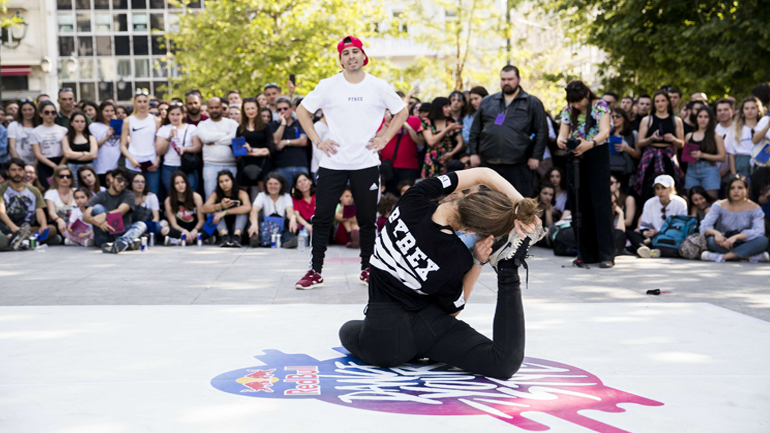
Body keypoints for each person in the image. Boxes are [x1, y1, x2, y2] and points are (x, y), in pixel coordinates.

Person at [338, 167, 540, 379]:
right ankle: (508, 270)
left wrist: (520, 203)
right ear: (471, 230)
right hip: (426, 328)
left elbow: (484, 173)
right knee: (503, 362)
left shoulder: (415, 196)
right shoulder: (457, 256)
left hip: (384, 338)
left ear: (470, 194)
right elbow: (452, 311)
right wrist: (477, 261)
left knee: (346, 330)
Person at [294, 35, 408, 290]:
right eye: (346, 53)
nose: (351, 56)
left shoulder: (377, 86)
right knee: (322, 217)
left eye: (355, 51)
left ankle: (368, 268)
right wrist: (316, 139)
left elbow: (402, 111)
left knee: (367, 219)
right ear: (341, 59)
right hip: (333, 162)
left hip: (366, 162)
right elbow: (302, 110)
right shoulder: (328, 85)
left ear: (363, 56)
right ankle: (315, 271)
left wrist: (385, 138)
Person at [556, 80, 615, 268]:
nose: (576, 105)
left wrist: (589, 144)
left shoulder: (600, 107)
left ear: (587, 95)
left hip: (596, 155)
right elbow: (561, 135)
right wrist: (562, 141)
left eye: (579, 101)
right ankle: (585, 253)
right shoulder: (568, 110)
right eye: (572, 102)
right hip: (575, 158)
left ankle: (606, 254)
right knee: (579, 206)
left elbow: (605, 132)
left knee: (600, 205)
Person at [468, 65, 547, 198]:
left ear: (519, 79)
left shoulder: (532, 102)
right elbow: (475, 130)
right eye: (503, 79)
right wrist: (474, 153)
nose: (506, 82)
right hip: (489, 162)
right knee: (489, 203)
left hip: (519, 163)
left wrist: (536, 156)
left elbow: (541, 131)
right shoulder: (488, 101)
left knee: (518, 202)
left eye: (510, 79)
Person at [700, 175, 769, 263]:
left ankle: (722, 257)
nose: (736, 191)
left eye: (740, 188)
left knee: (763, 241)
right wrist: (716, 233)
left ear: (747, 189)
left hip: (745, 241)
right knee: (711, 241)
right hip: (724, 241)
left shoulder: (755, 208)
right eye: (732, 188)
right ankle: (748, 257)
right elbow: (704, 226)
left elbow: (759, 231)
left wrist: (737, 237)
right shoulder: (719, 205)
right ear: (728, 190)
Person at [633, 89, 685, 204]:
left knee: (670, 190)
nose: (660, 104)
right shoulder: (647, 120)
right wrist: (651, 138)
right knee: (649, 190)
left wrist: (672, 139)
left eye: (663, 101)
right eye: (657, 101)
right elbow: (640, 142)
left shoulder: (676, 120)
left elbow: (681, 143)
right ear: (654, 104)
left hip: (668, 157)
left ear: (667, 102)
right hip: (651, 157)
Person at [83, 167, 146, 253]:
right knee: (98, 208)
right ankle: (128, 242)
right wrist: (97, 221)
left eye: (126, 182)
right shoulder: (101, 195)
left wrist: (104, 215)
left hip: (122, 231)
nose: (122, 184)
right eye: (120, 180)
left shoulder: (129, 194)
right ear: (111, 178)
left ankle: (121, 242)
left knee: (141, 225)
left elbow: (121, 211)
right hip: (104, 234)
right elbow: (85, 216)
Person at [626, 175, 688, 258]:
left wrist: (658, 233)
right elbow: (644, 227)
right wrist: (647, 233)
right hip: (652, 238)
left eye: (663, 188)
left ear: (671, 189)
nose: (660, 191)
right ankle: (644, 248)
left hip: (671, 238)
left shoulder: (680, 203)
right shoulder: (649, 203)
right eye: (657, 188)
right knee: (630, 233)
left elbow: (680, 228)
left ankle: (643, 247)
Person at [195, 97, 239, 200]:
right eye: (211, 107)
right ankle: (212, 216)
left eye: (217, 107)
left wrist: (214, 141)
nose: (214, 110)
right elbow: (205, 138)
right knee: (211, 196)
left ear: (221, 108)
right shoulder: (203, 124)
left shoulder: (232, 123)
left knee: (233, 196)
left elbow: (234, 138)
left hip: (231, 165)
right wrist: (225, 135)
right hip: (210, 165)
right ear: (208, 109)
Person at [0, 158, 47, 251]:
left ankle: (20, 240)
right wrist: (13, 227)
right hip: (7, 226)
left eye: (20, 170)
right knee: (3, 241)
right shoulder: (2, 189)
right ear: (7, 172)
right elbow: (1, 212)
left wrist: (44, 225)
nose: (17, 173)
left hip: (28, 227)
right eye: (13, 170)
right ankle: (20, 239)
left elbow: (39, 210)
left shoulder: (34, 190)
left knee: (51, 229)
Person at [155, 103, 201, 198]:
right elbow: (159, 151)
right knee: (172, 194)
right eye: (172, 114)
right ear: (168, 115)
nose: (175, 117)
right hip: (169, 166)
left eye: (178, 114)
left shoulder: (191, 128)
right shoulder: (163, 129)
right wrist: (169, 137)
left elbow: (197, 147)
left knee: (190, 193)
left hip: (187, 166)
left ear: (183, 115)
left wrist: (185, 149)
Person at [121, 92, 162, 195]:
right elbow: (122, 145)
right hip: (133, 165)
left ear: (148, 103)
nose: (142, 104)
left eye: (145, 101)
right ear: (134, 103)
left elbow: (159, 143)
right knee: (132, 194)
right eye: (139, 101)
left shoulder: (156, 120)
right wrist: (131, 159)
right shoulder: (128, 121)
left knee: (152, 193)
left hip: (151, 163)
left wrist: (157, 160)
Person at [683, 107, 726, 199]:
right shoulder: (689, 136)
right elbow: (685, 156)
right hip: (691, 170)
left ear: (710, 119)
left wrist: (703, 155)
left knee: (711, 200)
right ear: (696, 118)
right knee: (692, 200)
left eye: (706, 117)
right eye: (700, 116)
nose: (703, 119)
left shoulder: (716, 136)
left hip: (709, 170)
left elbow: (722, 157)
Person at [379, 107, 423, 195]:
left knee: (408, 195)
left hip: (409, 166)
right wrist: (387, 124)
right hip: (388, 166)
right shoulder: (384, 120)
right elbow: (377, 138)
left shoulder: (415, 120)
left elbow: (421, 143)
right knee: (389, 195)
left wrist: (409, 128)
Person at [201, 170, 251, 247]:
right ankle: (224, 237)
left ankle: (236, 237)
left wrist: (225, 212)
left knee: (242, 211)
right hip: (222, 225)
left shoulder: (241, 193)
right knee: (215, 211)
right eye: (221, 181)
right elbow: (203, 209)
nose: (224, 184)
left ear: (232, 181)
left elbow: (248, 207)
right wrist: (220, 206)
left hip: (238, 226)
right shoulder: (216, 194)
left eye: (227, 180)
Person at [247, 172, 297, 248]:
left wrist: (293, 219)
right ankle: (255, 239)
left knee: (289, 221)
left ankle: (289, 241)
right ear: (266, 185)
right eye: (270, 184)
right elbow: (254, 209)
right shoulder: (262, 195)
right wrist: (254, 223)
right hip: (265, 228)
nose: (273, 186)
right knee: (255, 216)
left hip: (281, 228)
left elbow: (289, 211)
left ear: (281, 185)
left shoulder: (286, 196)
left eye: (276, 184)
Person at [236, 97, 274, 196]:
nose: (250, 111)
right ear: (244, 111)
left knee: (263, 194)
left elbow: (270, 150)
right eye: (247, 109)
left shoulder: (266, 127)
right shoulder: (240, 128)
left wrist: (250, 150)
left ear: (258, 108)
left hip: (263, 164)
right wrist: (257, 152)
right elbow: (238, 151)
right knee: (242, 194)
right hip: (245, 165)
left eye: (252, 108)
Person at [420, 97, 464, 178]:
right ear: (438, 108)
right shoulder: (427, 121)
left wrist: (451, 153)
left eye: (449, 106)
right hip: (431, 160)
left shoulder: (451, 121)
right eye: (446, 107)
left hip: (448, 159)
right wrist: (447, 129)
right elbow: (431, 141)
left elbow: (460, 142)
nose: (449, 109)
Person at [29, 101, 68, 190]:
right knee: (49, 189)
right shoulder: (35, 132)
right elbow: (37, 154)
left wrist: (60, 165)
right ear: (40, 114)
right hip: (45, 164)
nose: (50, 115)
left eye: (53, 112)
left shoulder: (63, 130)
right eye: (47, 112)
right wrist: (53, 166)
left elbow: (67, 150)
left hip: (61, 161)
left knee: (63, 188)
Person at [269, 96, 309, 182]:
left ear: (292, 109)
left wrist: (285, 142)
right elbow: (275, 141)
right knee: (284, 193)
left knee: (304, 192)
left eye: (285, 108)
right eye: (279, 109)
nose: (282, 111)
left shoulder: (300, 122)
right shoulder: (273, 125)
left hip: (300, 163)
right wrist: (283, 124)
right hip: (281, 166)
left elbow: (303, 141)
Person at [162, 171, 206, 245]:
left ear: (187, 183)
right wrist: (184, 231)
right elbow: (173, 224)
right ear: (173, 185)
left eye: (183, 182)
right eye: (177, 183)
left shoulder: (196, 197)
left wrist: (195, 230)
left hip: (195, 229)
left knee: (210, 227)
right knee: (164, 230)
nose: (180, 185)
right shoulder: (169, 200)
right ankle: (194, 240)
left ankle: (178, 241)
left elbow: (201, 220)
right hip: (180, 230)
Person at [727, 96, 764, 179]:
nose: (750, 111)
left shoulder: (764, 127)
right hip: (741, 163)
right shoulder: (735, 129)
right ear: (742, 111)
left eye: (753, 108)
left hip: (761, 162)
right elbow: (731, 153)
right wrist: (734, 175)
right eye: (747, 108)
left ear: (758, 109)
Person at [608, 107, 640, 190]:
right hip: (608, 170)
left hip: (626, 173)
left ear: (624, 118)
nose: (614, 119)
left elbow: (638, 155)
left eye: (618, 116)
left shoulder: (633, 134)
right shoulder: (605, 134)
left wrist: (626, 148)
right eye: (612, 116)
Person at [44, 165, 77, 245]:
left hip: (75, 225)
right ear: (56, 178)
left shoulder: (77, 192)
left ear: (71, 178)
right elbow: (51, 213)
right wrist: (59, 220)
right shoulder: (51, 193)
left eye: (68, 176)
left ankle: (62, 239)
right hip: (59, 224)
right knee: (52, 229)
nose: (65, 179)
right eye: (61, 176)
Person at [90, 101, 121, 185]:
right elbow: (94, 147)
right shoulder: (94, 126)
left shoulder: (119, 125)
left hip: (115, 167)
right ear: (101, 112)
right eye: (106, 111)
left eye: (112, 111)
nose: (110, 113)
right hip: (100, 168)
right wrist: (107, 137)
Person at [8, 99, 40, 166]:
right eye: (24, 110)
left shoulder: (39, 127)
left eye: (30, 109)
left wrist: (34, 166)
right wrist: (20, 166)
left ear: (35, 110)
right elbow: (12, 147)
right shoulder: (13, 125)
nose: (27, 112)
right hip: (18, 164)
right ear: (21, 111)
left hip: (36, 164)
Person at [715, 98, 736, 183]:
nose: (722, 113)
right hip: (715, 174)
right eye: (719, 110)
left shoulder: (739, 129)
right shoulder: (713, 129)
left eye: (726, 110)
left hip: (733, 172)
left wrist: (727, 169)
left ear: (733, 111)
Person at [291, 172, 316, 236]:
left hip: (317, 223)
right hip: (303, 225)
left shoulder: (318, 196)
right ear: (296, 186)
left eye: (305, 180)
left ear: (310, 182)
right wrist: (307, 225)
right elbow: (297, 215)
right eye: (299, 181)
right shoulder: (294, 199)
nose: (303, 183)